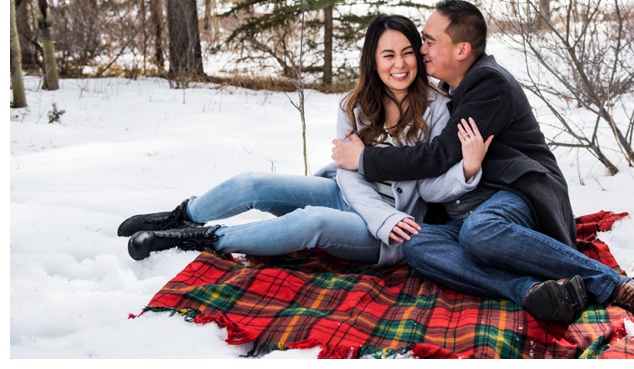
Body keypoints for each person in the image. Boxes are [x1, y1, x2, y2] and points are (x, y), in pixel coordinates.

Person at [332, 0, 634, 335]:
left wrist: (364, 160)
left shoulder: (489, 84)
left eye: (429, 41)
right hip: (468, 208)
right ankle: (533, 291)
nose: (421, 50)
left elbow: (438, 155)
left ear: (462, 50)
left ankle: (625, 288)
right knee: (417, 244)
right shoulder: (454, 85)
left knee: (480, 231)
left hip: (514, 194)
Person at [119, 14, 489, 267]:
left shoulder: (438, 108)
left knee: (311, 222)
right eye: (388, 54)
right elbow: (348, 173)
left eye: (408, 52)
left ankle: (201, 239)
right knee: (253, 183)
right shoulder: (355, 104)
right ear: (372, 60)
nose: (400, 64)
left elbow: (428, 182)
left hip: (388, 230)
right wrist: (373, 206)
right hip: (348, 197)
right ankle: (182, 217)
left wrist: (468, 170)